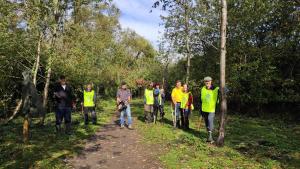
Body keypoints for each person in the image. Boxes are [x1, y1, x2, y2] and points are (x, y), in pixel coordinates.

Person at [200, 76, 219, 143]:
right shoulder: (203, 88)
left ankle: (210, 137)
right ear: (204, 82)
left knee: (210, 120)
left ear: (211, 81)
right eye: (206, 81)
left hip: (211, 109)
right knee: (206, 123)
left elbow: (226, 90)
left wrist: (224, 88)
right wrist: (200, 109)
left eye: (208, 81)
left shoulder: (216, 89)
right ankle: (209, 136)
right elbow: (201, 99)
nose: (207, 82)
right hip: (204, 109)